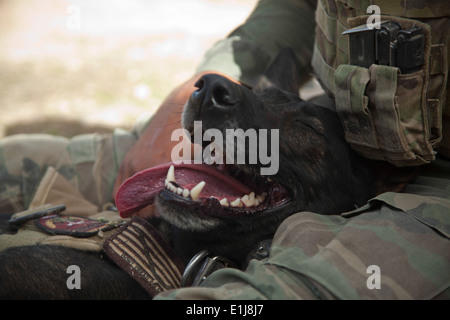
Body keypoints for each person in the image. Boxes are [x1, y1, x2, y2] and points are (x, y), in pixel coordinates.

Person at [1, 0, 449, 299]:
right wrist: (199, 90)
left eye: (304, 132)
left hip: (432, 184)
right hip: (314, 116)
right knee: (12, 162)